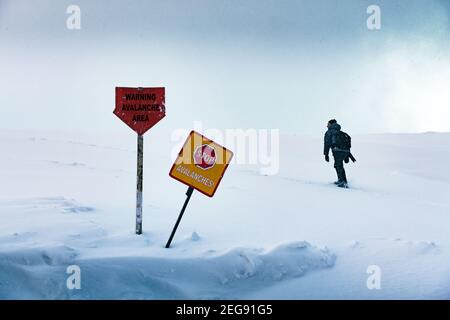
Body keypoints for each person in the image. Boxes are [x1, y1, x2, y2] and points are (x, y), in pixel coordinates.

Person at [323, 119, 355, 188]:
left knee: (338, 165)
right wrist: (347, 155)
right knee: (339, 165)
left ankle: (342, 181)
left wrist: (326, 154)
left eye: (328, 124)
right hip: (345, 151)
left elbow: (327, 144)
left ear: (331, 124)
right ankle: (343, 180)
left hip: (337, 150)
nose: (327, 125)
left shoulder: (329, 132)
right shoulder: (340, 132)